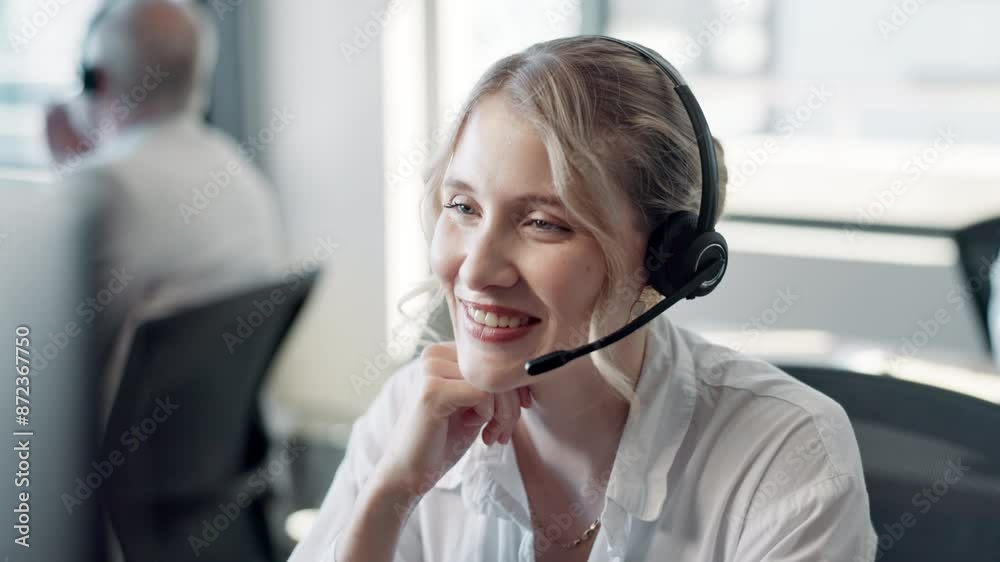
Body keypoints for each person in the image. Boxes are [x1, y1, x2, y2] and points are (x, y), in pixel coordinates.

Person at [290, 36, 877, 562]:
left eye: (544, 223)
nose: (477, 269)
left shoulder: (785, 460)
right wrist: (390, 495)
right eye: (463, 207)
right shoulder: (412, 413)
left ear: (666, 261)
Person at [43, 0, 286, 423]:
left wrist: (67, 178)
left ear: (97, 79)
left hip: (98, 476)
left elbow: (35, 355)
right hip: (214, 463)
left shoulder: (102, 189)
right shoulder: (241, 173)